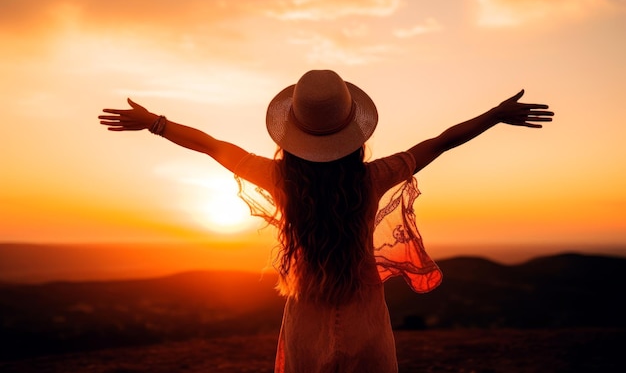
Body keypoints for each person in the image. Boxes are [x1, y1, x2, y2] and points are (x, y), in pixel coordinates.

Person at [99, 69, 553, 372]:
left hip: (306, 316)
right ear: (352, 132)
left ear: (293, 132)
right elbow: (441, 142)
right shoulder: (374, 177)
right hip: (366, 318)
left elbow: (214, 146)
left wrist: (156, 123)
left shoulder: (279, 177)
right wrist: (495, 116)